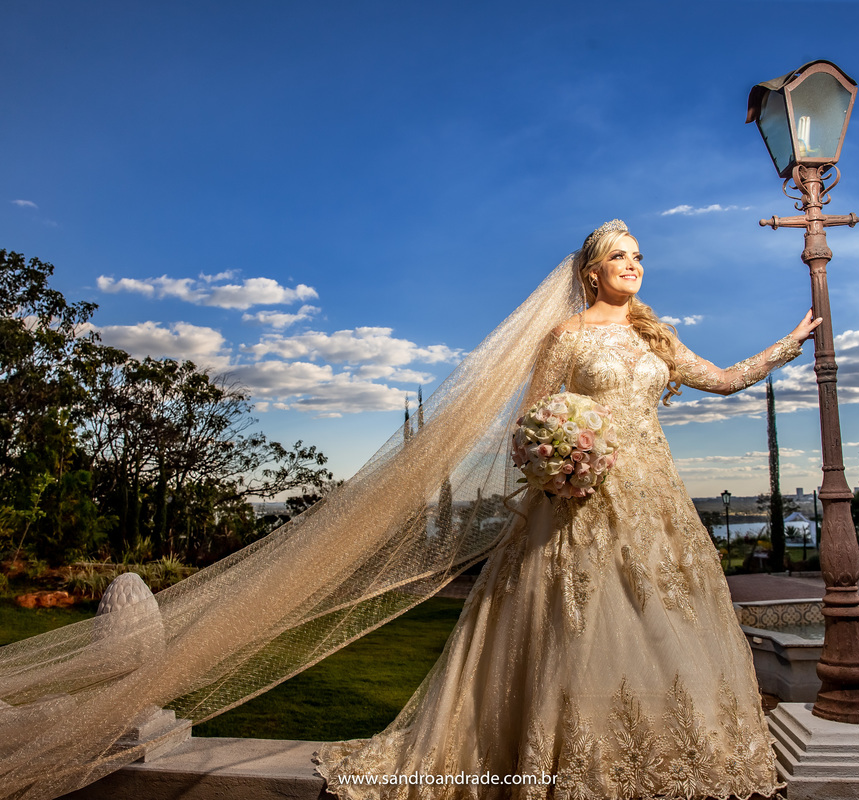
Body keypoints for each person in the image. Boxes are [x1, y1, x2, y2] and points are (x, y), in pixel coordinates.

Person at [316, 219, 820, 800]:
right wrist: (561, 468)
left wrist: (790, 342)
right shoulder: (567, 336)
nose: (633, 265)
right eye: (619, 258)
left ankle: (667, 754)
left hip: (655, 498)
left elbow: (726, 379)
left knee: (664, 617)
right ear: (592, 274)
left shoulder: (656, 336)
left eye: (637, 256)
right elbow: (530, 426)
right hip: (583, 499)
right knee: (581, 622)